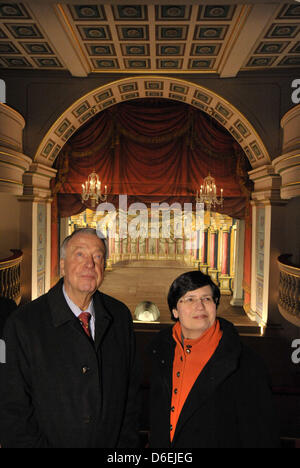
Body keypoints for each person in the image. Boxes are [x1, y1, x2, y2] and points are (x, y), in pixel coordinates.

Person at [0, 228, 140, 448]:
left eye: (97, 256)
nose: (90, 264)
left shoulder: (120, 316)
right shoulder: (22, 324)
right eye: (80, 254)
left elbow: (131, 397)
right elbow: (11, 409)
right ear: (62, 265)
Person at [149, 270, 280, 448]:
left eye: (207, 299)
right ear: (175, 311)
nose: (200, 306)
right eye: (190, 299)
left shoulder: (247, 363)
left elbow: (262, 436)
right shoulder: (158, 351)